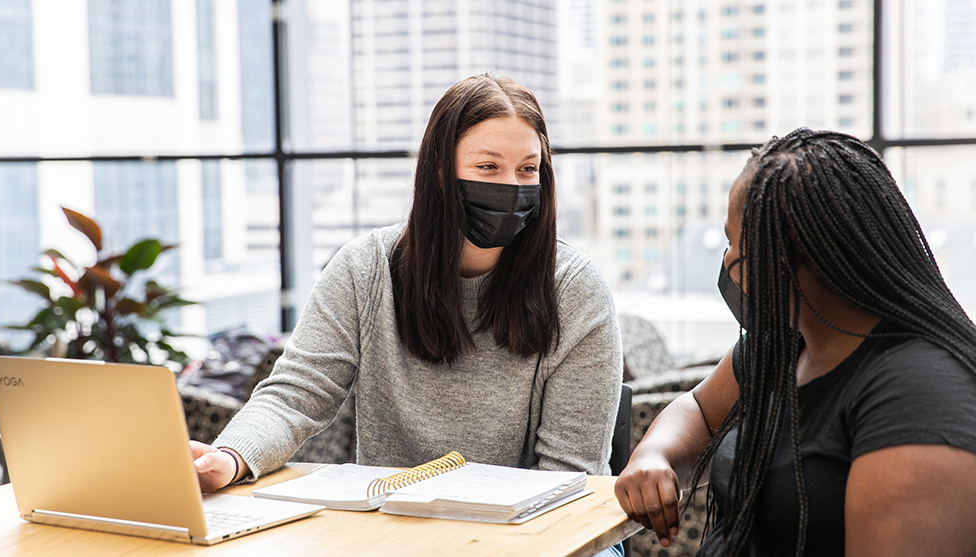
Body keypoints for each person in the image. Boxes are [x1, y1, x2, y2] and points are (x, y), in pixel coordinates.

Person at [191, 75, 622, 499]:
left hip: (544, 526)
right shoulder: (365, 268)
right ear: (438, 170)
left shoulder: (576, 289)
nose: (511, 187)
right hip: (397, 522)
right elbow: (295, 395)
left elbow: (570, 474)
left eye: (528, 170)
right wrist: (229, 458)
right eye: (488, 167)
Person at [614, 128, 976, 556]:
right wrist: (654, 455)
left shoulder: (918, 394)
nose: (727, 262)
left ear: (800, 258)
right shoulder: (788, 343)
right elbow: (698, 409)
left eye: (737, 247)